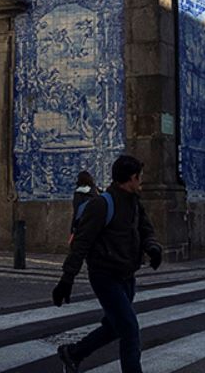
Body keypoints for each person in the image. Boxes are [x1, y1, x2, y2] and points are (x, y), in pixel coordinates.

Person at [52, 154, 161, 373]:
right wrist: (67, 279)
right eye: (139, 177)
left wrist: (152, 247)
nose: (141, 182)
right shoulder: (101, 205)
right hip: (105, 276)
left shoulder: (135, 203)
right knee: (129, 329)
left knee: (114, 327)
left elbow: (145, 229)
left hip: (127, 276)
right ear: (131, 178)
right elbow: (81, 244)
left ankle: (73, 353)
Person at [70, 170, 99, 239]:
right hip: (96, 224)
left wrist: (73, 227)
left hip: (83, 225)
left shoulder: (79, 193)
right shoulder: (96, 191)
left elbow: (77, 211)